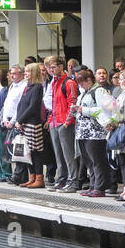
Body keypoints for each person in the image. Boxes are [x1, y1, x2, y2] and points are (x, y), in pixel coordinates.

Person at [74, 69, 115, 198]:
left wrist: (84, 110)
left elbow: (106, 108)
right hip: (84, 132)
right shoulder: (85, 92)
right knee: (88, 161)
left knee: (97, 160)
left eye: (82, 83)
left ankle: (100, 187)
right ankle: (93, 185)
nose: (81, 86)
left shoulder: (99, 91)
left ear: (89, 80)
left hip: (95, 132)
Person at [46, 56, 80, 192]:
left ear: (61, 66)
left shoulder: (69, 82)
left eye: (53, 67)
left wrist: (67, 122)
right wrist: (50, 121)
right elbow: (51, 103)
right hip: (54, 122)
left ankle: (73, 181)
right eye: (50, 67)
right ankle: (61, 179)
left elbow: (73, 103)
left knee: (68, 154)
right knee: (58, 154)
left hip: (64, 123)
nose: (51, 70)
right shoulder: (54, 82)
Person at [14, 64, 47, 187]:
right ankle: (31, 176)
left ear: (34, 73)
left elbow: (33, 107)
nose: (25, 73)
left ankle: (39, 178)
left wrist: (20, 120)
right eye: (25, 71)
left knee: (35, 152)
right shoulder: (27, 87)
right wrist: (18, 120)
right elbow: (21, 105)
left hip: (33, 123)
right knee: (27, 152)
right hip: (24, 123)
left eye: (28, 71)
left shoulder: (37, 87)